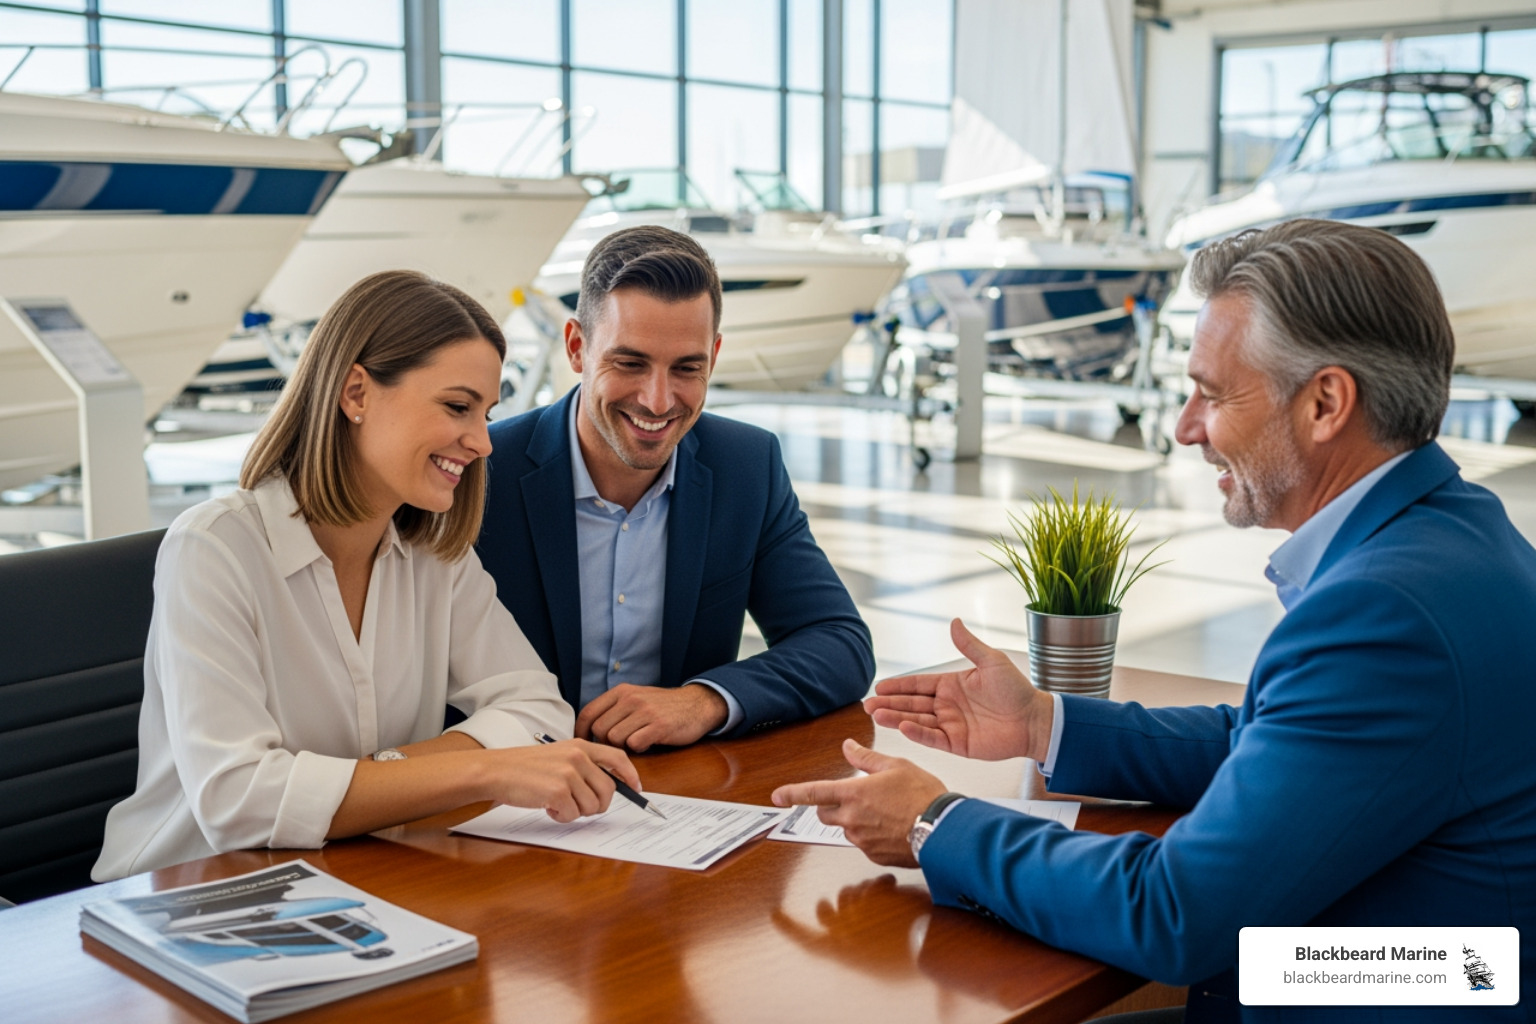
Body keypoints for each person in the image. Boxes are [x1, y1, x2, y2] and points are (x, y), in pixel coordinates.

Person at [773, 219, 1536, 1022]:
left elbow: (1177, 916)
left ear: (1325, 402)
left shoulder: (1382, 614)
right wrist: (1044, 723)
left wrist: (937, 825)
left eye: (1212, 392)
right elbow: (1274, 739)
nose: (1184, 426)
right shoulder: (1460, 533)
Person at [94, 270, 640, 882]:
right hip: (185, 898)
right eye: (458, 407)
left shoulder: (438, 554)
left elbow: (537, 707)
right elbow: (239, 803)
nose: (484, 442)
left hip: (348, 875)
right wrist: (486, 768)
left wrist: (381, 773)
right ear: (356, 393)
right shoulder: (214, 550)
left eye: (487, 413)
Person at [476, 225, 874, 752]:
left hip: (678, 796)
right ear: (577, 347)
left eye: (687, 368)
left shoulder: (746, 467)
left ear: (713, 355)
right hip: (511, 790)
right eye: (630, 363)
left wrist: (703, 700)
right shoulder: (482, 472)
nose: (659, 401)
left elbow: (840, 643)